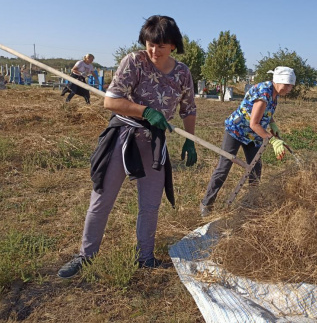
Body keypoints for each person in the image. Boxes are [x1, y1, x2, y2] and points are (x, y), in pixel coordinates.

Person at [57, 15, 197, 278]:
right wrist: (144, 111)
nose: (154, 51)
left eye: (161, 46)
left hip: (153, 142)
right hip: (123, 135)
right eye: (150, 44)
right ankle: (86, 256)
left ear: (174, 46)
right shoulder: (135, 61)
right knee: (102, 198)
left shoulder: (182, 73)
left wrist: (190, 139)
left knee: (150, 204)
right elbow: (111, 101)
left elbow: (188, 109)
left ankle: (145, 258)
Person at [199, 66, 295, 217]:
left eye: (291, 86)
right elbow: (254, 124)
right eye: (287, 85)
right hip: (237, 130)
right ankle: (207, 204)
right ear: (278, 81)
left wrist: (272, 124)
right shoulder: (264, 93)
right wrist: (272, 141)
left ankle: (251, 203)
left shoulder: (274, 92)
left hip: (253, 136)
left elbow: (266, 112)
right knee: (224, 167)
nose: (289, 89)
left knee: (255, 170)